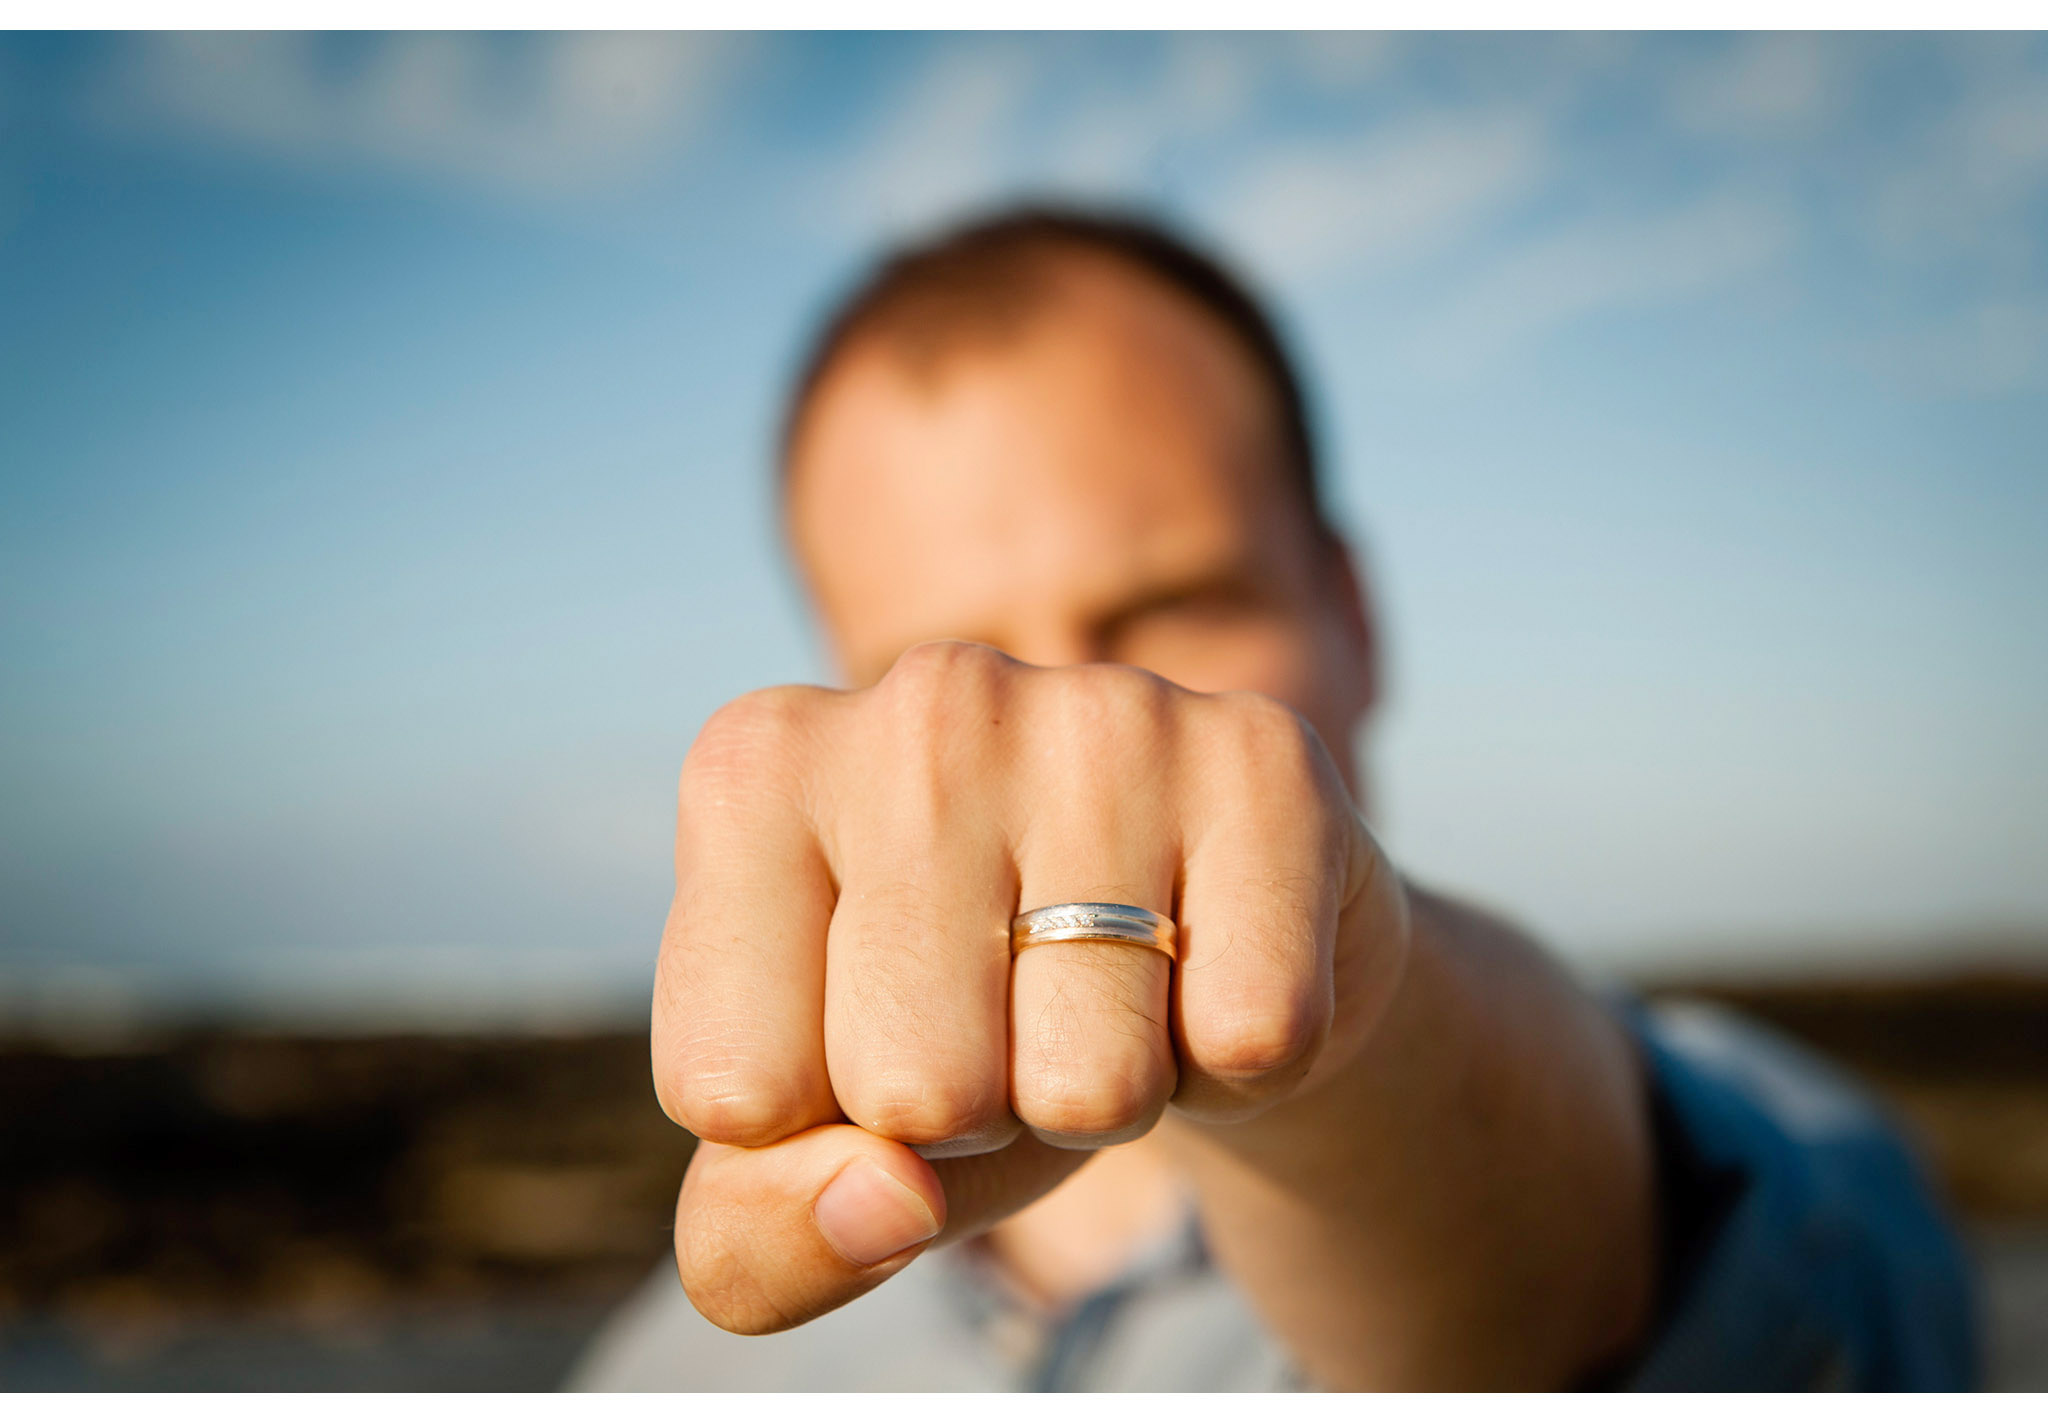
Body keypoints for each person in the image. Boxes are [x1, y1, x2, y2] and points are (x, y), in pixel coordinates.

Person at [572, 207, 1977, 1391]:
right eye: (952, 673)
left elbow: (1625, 1287)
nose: (1079, 726)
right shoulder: (675, 1378)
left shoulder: (1780, 1169)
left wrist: (1350, 1036)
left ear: (1354, 616)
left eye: (1177, 604)